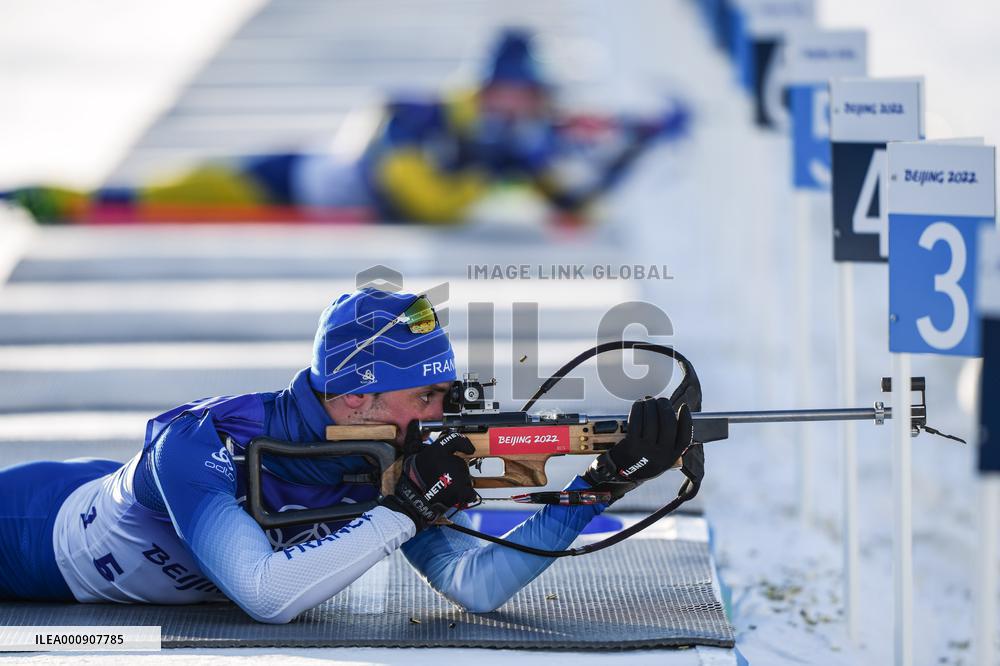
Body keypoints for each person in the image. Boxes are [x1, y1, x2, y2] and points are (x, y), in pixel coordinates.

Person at [0, 288, 693, 623]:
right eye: (426, 396)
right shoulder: (202, 444)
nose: (442, 416)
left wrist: (597, 489)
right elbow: (268, 596)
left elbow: (476, 586)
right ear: (358, 397)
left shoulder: (394, 452)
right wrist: (403, 514)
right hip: (29, 532)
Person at [3, 29, 689, 225]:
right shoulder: (423, 114)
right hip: (292, 179)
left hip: (317, 197)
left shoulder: (521, 146)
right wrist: (493, 161)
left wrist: (621, 153)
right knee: (157, 197)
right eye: (501, 96)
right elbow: (395, 188)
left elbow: (576, 211)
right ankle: (53, 198)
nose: (511, 108)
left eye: (523, 98)